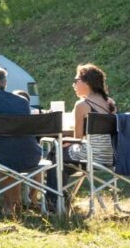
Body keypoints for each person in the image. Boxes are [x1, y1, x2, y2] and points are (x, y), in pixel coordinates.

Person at [0, 64, 41, 216]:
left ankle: (10, 207)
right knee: (11, 151)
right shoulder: (23, 101)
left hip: (4, 158)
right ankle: (15, 205)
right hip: (32, 156)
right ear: (5, 83)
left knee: (5, 155)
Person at [47, 63, 117, 204]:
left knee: (56, 153)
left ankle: (53, 201)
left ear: (87, 83)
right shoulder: (110, 103)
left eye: (76, 81)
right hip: (112, 155)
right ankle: (60, 196)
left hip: (92, 155)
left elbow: (77, 137)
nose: (73, 85)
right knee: (61, 155)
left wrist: (64, 141)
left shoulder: (82, 105)